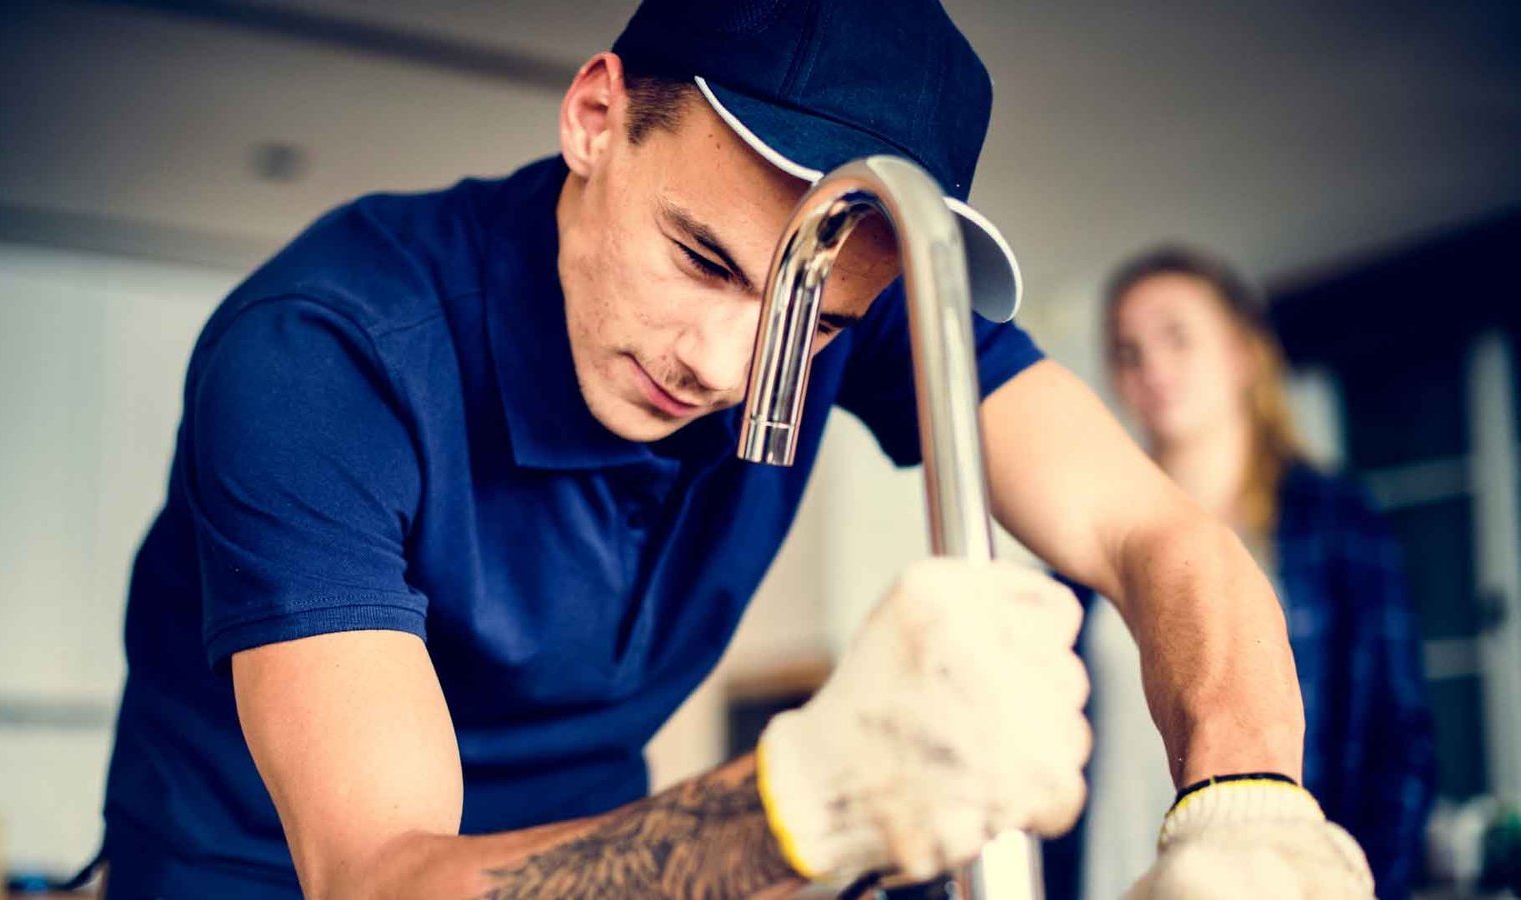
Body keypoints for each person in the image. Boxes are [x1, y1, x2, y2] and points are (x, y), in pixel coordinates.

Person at [97, 1, 1375, 896]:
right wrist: (802, 800)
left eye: (812, 324)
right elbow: (376, 878)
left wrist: (1246, 802)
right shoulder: (325, 354)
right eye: (700, 258)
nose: (725, 362)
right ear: (596, 116)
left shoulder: (844, 293)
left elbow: (1153, 533)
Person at [1049, 247, 1436, 899]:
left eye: (1177, 336)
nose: (1151, 367)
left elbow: (1399, 747)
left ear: (1242, 353)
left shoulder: (1336, 524)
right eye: (1127, 349)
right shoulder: (1089, 537)